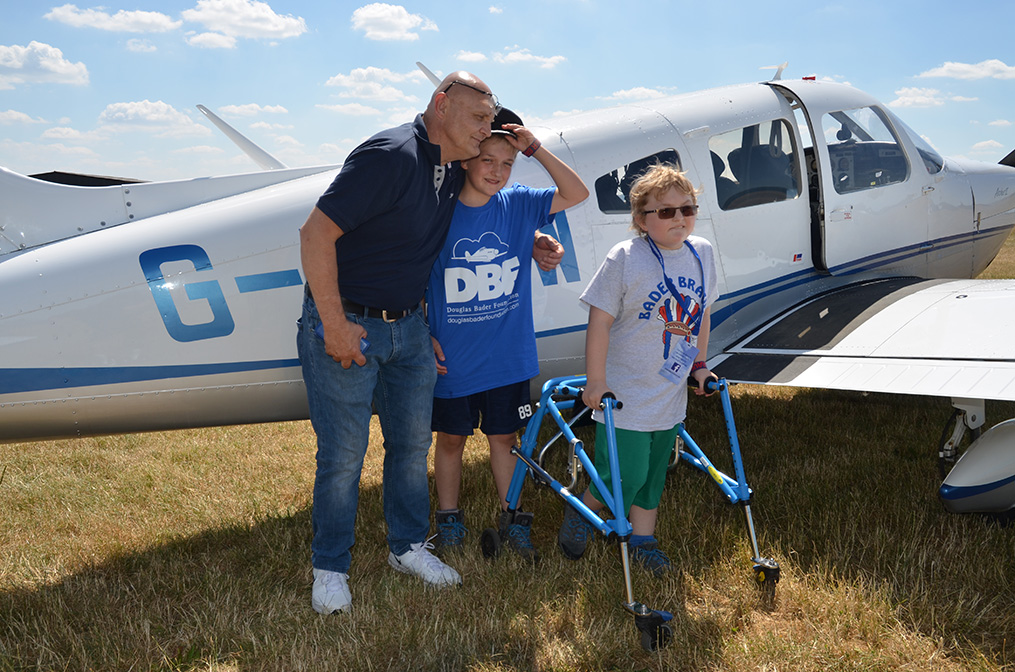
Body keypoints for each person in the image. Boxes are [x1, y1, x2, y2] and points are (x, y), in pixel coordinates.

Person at [297, 72, 562, 615]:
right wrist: (335, 323)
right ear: (441, 106)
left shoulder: (451, 166)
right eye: (479, 118)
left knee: (411, 445)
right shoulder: (390, 154)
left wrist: (529, 239)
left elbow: (457, 230)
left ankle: (408, 546)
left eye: (491, 120)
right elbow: (315, 234)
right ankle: (330, 566)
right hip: (352, 324)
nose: (489, 129)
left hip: (412, 330)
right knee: (345, 455)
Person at [427, 109, 589, 561]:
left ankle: (512, 517)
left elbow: (576, 192)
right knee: (451, 441)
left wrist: (533, 147)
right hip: (452, 359)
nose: (497, 172)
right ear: (464, 161)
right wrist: (423, 330)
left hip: (507, 356)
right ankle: (449, 518)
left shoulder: (518, 203)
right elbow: (417, 278)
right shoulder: (438, 213)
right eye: (486, 161)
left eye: (507, 163)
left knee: (505, 440)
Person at [556, 163, 718, 576]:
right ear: (641, 220)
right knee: (625, 473)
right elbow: (600, 321)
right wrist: (596, 381)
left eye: (688, 208)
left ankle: (644, 540)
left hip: (669, 391)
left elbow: (702, 315)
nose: (679, 218)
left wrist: (699, 365)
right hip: (625, 392)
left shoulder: (702, 253)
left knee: (653, 475)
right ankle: (585, 508)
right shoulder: (626, 257)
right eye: (665, 212)